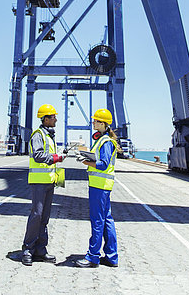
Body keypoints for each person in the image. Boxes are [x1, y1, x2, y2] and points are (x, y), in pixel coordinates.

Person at [75, 108, 119, 268]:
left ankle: (93, 257)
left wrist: (87, 162)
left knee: (97, 220)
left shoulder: (105, 142)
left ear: (102, 123)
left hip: (99, 187)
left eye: (95, 120)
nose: (92, 122)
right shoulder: (102, 140)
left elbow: (103, 164)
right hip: (103, 186)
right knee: (107, 220)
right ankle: (111, 257)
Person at [22, 104, 64, 266]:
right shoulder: (38, 135)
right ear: (46, 119)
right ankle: (27, 249)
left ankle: (40, 249)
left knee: (45, 217)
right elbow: (39, 155)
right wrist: (56, 157)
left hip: (49, 181)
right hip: (39, 182)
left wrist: (59, 156)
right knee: (37, 215)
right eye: (53, 117)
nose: (56, 119)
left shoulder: (50, 135)